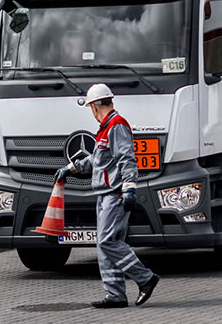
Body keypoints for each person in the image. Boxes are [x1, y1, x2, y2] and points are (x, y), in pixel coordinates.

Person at [55, 84, 159, 309]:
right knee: (105, 245)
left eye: (90, 107)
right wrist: (71, 168)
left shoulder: (117, 126)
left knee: (107, 241)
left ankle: (145, 278)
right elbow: (96, 160)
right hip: (105, 193)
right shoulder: (106, 128)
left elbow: (126, 159)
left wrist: (129, 188)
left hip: (115, 193)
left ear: (94, 106)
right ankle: (115, 295)